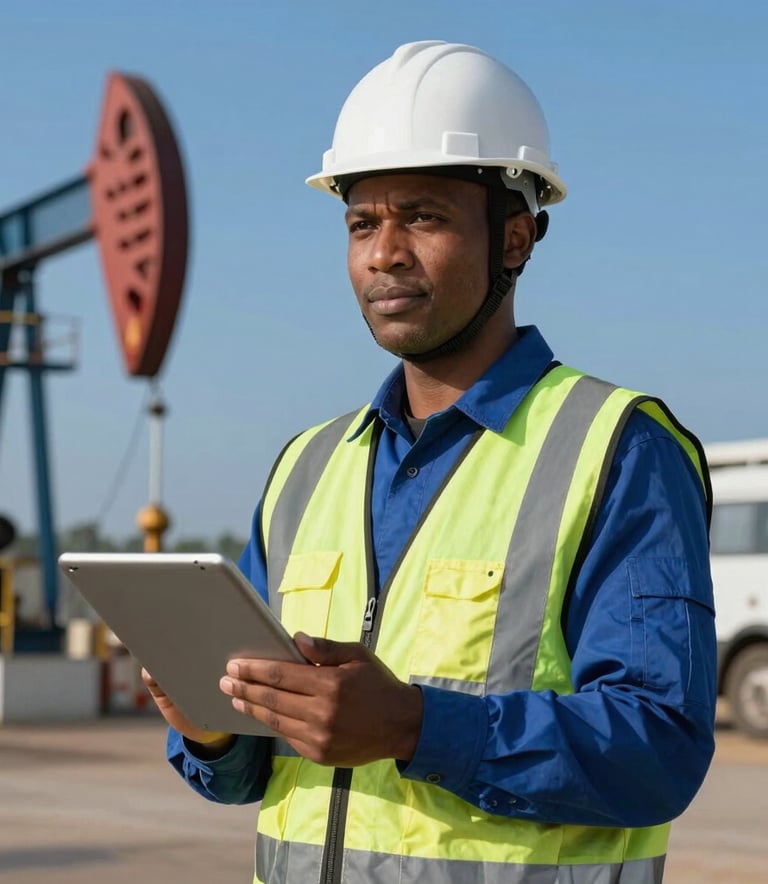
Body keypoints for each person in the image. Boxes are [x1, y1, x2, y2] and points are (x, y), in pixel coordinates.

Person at [145, 41, 716, 884]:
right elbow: (248, 774)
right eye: (362, 223)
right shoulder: (308, 467)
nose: (385, 254)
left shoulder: (617, 448)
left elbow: (658, 747)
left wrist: (417, 727)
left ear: (515, 238)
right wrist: (214, 727)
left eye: (424, 216)